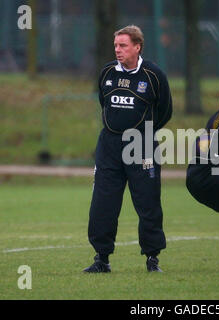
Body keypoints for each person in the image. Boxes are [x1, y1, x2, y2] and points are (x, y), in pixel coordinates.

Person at [84, 25, 172, 273]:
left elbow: (165, 110)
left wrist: (143, 132)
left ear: (137, 46)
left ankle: (152, 259)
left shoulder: (153, 75)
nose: (118, 50)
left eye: (123, 45)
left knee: (148, 203)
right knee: (103, 202)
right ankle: (101, 258)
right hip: (109, 145)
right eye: (116, 46)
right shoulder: (107, 72)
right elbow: (104, 102)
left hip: (141, 144)